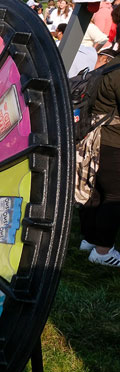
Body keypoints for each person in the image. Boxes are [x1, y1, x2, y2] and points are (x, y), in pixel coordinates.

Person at [79, 50, 120, 267]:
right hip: (113, 142)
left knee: (96, 190)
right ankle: (103, 251)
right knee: (115, 196)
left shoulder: (110, 65)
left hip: (96, 138)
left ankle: (90, 239)